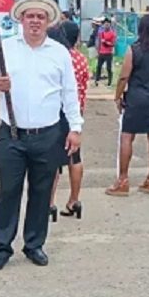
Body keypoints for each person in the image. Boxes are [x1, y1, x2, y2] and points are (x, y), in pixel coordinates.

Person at [0, 0, 83, 272]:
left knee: (41, 192)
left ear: (48, 21)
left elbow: (69, 93)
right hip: (11, 134)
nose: (35, 21)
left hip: (48, 133)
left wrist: (75, 127)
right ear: (21, 20)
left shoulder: (59, 53)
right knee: (9, 191)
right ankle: (2, 247)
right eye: (30, 16)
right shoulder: (6, 49)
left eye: (40, 17)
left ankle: (34, 244)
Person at [106, 14, 149, 196]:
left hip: (136, 97)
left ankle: (123, 180)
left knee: (127, 136)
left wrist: (117, 95)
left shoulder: (134, 49)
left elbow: (124, 76)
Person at [49, 15, 87, 220]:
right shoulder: (80, 59)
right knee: (75, 157)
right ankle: (74, 200)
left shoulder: (55, 56)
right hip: (74, 114)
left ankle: (49, 203)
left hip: (55, 114)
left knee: (53, 161)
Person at [94, 18, 116, 87]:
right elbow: (99, 43)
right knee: (98, 67)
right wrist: (98, 51)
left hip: (109, 53)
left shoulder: (112, 34)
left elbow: (113, 44)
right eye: (105, 24)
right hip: (101, 52)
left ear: (110, 25)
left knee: (108, 68)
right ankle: (97, 80)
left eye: (107, 24)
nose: (106, 26)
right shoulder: (101, 33)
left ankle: (110, 81)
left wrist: (107, 43)